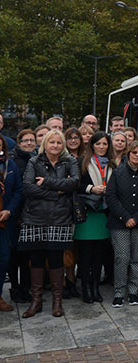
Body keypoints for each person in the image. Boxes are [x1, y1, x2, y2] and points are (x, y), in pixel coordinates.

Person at [19, 129, 79, 318]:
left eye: (59, 143)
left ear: (63, 145)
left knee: (55, 259)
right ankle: (36, 301)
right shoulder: (34, 161)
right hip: (34, 217)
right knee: (36, 259)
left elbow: (75, 183)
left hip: (60, 217)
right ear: (45, 143)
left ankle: (57, 302)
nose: (55, 146)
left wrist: (46, 182)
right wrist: (57, 190)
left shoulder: (70, 161)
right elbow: (28, 188)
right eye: (51, 142)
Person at [106, 142, 138, 307]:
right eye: (134, 152)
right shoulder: (117, 173)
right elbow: (111, 197)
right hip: (119, 223)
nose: (137, 155)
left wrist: (137, 218)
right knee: (122, 257)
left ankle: (133, 291)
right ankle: (119, 292)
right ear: (128, 154)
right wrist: (125, 217)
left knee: (137, 258)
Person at [75, 131, 116, 304]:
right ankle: (85, 288)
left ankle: (95, 288)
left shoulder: (113, 164)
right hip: (87, 215)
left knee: (99, 256)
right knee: (85, 257)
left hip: (103, 215)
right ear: (92, 145)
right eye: (98, 144)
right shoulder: (82, 162)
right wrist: (91, 188)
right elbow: (76, 184)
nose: (101, 147)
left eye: (104, 144)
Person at [7, 130, 35, 304]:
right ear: (19, 142)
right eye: (26, 140)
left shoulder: (36, 158)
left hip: (32, 214)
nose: (30, 143)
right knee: (13, 255)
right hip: (15, 214)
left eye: (32, 140)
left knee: (27, 256)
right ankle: (15, 287)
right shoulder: (13, 161)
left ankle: (26, 287)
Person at [0, 135, 23, 312]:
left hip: (5, 221)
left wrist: (9, 210)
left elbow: (18, 190)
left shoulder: (10, 165)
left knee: (4, 258)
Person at [62, 128, 84, 299]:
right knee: (65, 247)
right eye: (70, 138)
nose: (74, 141)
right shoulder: (61, 158)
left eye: (77, 138)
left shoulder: (84, 158)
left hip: (81, 206)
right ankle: (65, 282)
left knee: (76, 247)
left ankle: (73, 279)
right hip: (63, 207)